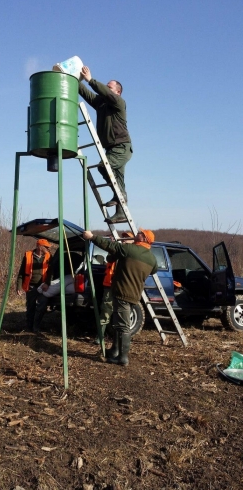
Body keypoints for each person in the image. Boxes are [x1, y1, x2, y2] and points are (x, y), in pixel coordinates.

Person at [83, 229, 158, 366]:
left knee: (123, 327)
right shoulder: (152, 258)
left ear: (144, 239)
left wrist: (92, 237)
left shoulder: (130, 249)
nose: (137, 233)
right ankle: (115, 350)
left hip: (123, 292)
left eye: (140, 233)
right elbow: (154, 270)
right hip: (134, 293)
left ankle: (123, 358)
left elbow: (110, 246)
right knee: (118, 323)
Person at [79, 66, 132, 223]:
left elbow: (104, 92)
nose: (106, 90)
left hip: (122, 146)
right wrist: (74, 79)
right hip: (111, 148)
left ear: (117, 92)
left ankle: (119, 196)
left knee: (104, 167)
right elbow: (86, 93)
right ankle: (121, 212)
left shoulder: (119, 103)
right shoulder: (101, 104)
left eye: (109, 87)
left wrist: (91, 80)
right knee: (117, 180)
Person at [95, 231, 134, 344]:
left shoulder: (132, 253)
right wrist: (112, 246)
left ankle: (120, 341)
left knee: (122, 314)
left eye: (127, 238)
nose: (124, 239)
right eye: (124, 237)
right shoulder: (118, 249)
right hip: (110, 285)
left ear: (133, 241)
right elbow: (109, 259)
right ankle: (100, 337)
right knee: (106, 311)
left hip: (124, 287)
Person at [16, 239, 53, 332]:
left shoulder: (49, 256)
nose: (48, 249)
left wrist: (47, 283)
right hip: (31, 286)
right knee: (30, 307)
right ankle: (29, 327)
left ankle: (36, 327)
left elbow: (51, 272)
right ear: (39, 246)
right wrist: (19, 286)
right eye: (46, 247)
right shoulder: (28, 255)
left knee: (42, 307)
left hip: (43, 287)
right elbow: (21, 272)